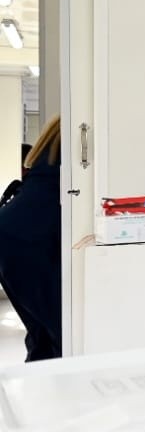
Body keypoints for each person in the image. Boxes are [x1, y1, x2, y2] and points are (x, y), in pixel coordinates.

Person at [0, 117, 63, 361]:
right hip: (28, 241)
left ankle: (40, 378)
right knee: (60, 334)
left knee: (42, 332)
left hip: (12, 234)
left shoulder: (49, 151)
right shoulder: (73, 148)